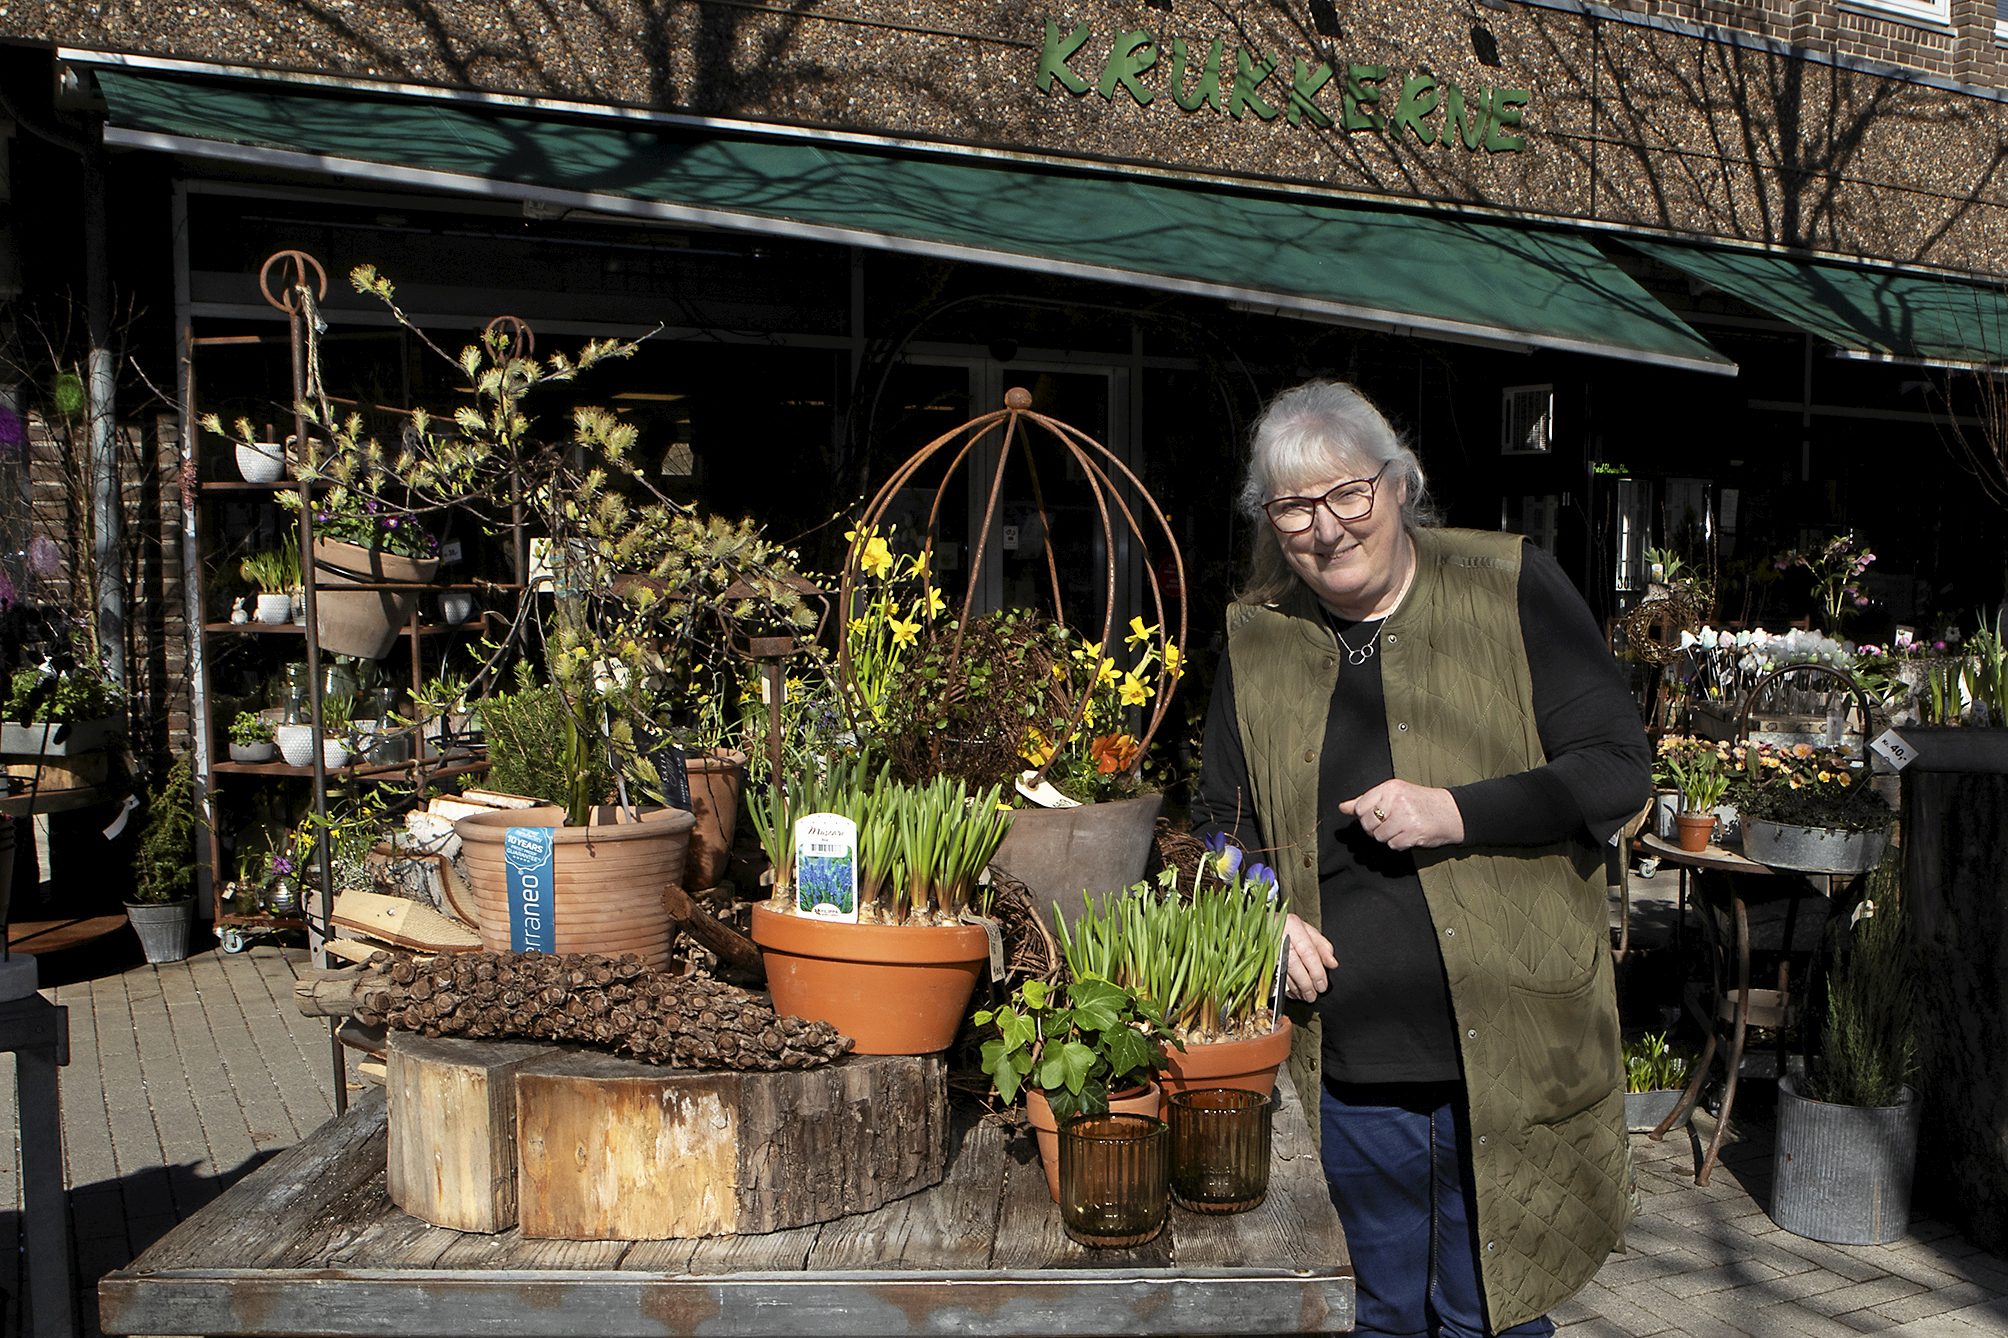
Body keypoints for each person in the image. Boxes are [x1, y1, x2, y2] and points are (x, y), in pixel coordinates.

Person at [1189, 380, 1649, 1338]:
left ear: (1399, 484)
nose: (1325, 529)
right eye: (1294, 509)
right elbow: (1216, 826)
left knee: (1498, 1315)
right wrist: (1259, 917)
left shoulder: (1509, 583)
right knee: (1373, 1316)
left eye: (1348, 494)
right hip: (1347, 1063)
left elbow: (1615, 771)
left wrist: (1456, 811)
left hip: (1516, 1047)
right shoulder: (1261, 641)